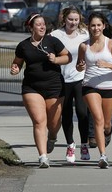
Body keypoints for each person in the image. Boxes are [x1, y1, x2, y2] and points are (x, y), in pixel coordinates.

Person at [10, 13, 71, 168]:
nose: (42, 27)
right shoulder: (23, 46)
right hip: (32, 87)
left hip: (54, 87)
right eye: (38, 24)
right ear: (31, 28)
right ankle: (43, 157)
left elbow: (67, 57)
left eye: (43, 24)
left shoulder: (52, 41)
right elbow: (17, 62)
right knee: (39, 121)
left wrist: (56, 60)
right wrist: (15, 68)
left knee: (54, 123)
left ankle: (52, 137)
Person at [76, 12, 112, 168]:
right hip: (90, 85)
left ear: (104, 26)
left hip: (109, 86)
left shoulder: (110, 44)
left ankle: (108, 131)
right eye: (93, 25)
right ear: (88, 27)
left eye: (98, 25)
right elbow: (79, 65)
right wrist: (80, 66)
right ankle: (103, 156)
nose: (96, 28)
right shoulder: (84, 46)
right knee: (98, 119)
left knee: (106, 123)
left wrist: (108, 65)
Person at [50, 6, 91, 163]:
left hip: (81, 79)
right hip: (62, 80)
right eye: (70, 19)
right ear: (64, 19)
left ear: (80, 19)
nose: (73, 22)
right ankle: (70, 144)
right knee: (66, 114)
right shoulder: (55, 35)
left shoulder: (84, 34)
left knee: (82, 113)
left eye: (76, 19)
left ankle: (84, 144)